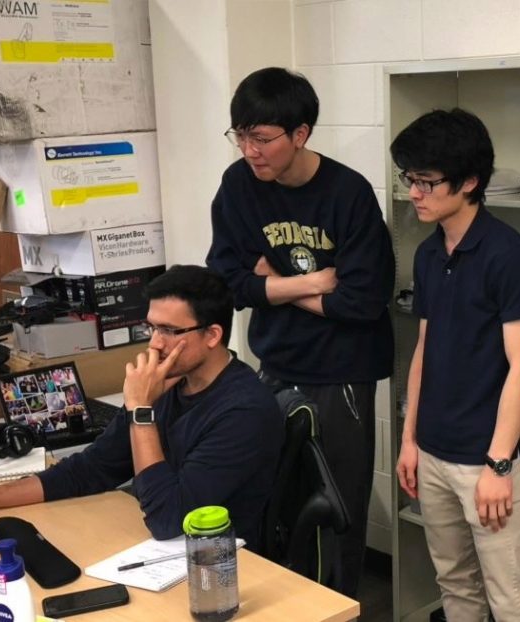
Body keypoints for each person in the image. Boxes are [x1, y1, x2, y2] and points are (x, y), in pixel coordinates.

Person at [0, 265, 284, 547]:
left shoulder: (244, 411)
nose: (154, 343)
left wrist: (140, 412)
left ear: (213, 335)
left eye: (170, 331)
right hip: (163, 551)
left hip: (224, 566)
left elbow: (170, 519)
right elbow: (90, 470)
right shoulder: (168, 383)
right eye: (152, 328)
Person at [205, 67, 394, 596]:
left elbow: (362, 300)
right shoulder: (239, 185)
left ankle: (339, 607)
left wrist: (271, 278)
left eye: (262, 138)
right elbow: (226, 282)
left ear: (301, 134)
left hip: (342, 376)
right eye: (240, 135)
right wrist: (310, 282)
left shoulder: (348, 193)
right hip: (273, 367)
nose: (249, 150)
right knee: (273, 502)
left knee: (338, 511)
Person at [391, 108, 520, 622]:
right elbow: (424, 352)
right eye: (409, 179)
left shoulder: (512, 256)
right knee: (454, 586)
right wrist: (410, 438)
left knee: (511, 598)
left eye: (427, 181)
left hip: (486, 458)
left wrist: (499, 466)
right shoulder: (429, 253)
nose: (414, 192)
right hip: (432, 449)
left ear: (470, 182)